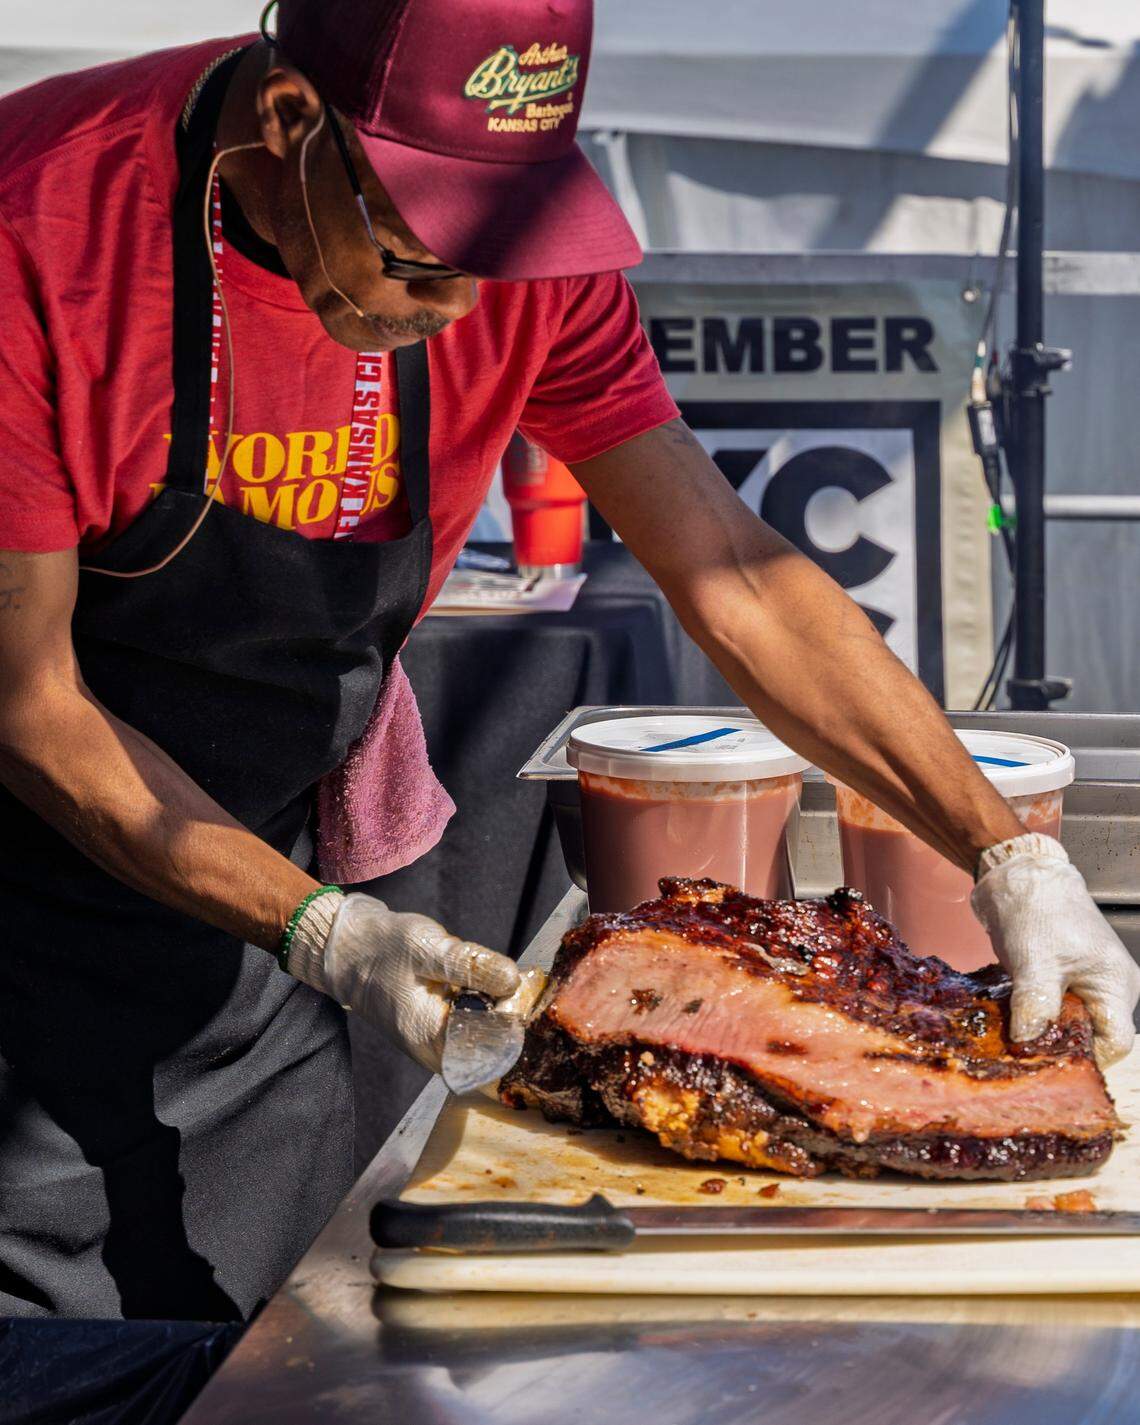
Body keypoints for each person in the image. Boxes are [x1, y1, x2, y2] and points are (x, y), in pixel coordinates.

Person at [0, 0, 1134, 1321]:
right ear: (291, 118)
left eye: (498, 253)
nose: (460, 305)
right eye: (418, 258)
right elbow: (28, 701)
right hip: (36, 879)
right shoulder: (45, 231)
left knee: (261, 1315)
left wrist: (1009, 854)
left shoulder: (515, 259)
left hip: (262, 882)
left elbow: (731, 567)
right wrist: (322, 927)